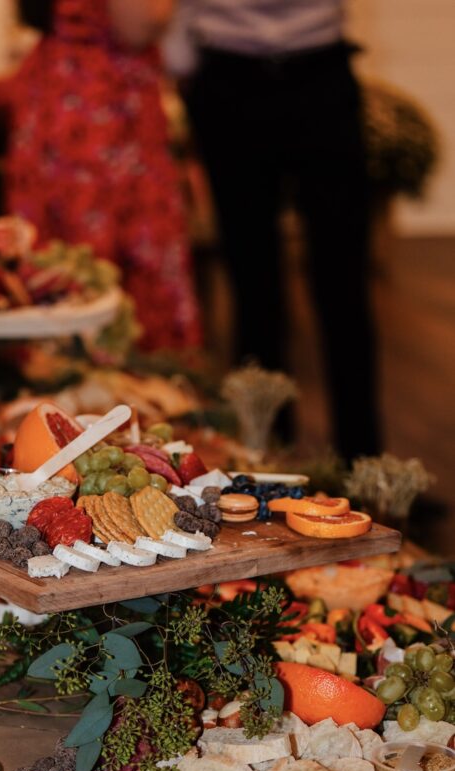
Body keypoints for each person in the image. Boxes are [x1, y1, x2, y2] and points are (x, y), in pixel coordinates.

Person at [172, 0, 380, 460]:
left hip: (320, 74)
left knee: (344, 280)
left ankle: (368, 470)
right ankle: (270, 461)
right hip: (228, 81)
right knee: (252, 284)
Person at [8, 0, 202, 353]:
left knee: (60, 267)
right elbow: (142, 22)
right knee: (119, 270)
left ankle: (62, 389)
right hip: (104, 107)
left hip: (56, 91)